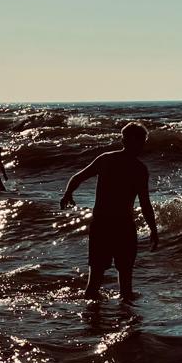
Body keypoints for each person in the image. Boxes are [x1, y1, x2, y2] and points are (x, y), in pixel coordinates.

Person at [60, 122, 159, 300]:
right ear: (130, 141)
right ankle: (122, 321)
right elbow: (145, 204)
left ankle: (95, 322)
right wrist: (153, 229)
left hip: (105, 225)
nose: (142, 145)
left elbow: (77, 177)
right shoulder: (138, 168)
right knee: (122, 286)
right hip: (120, 226)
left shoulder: (107, 159)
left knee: (98, 283)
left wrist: (68, 193)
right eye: (141, 141)